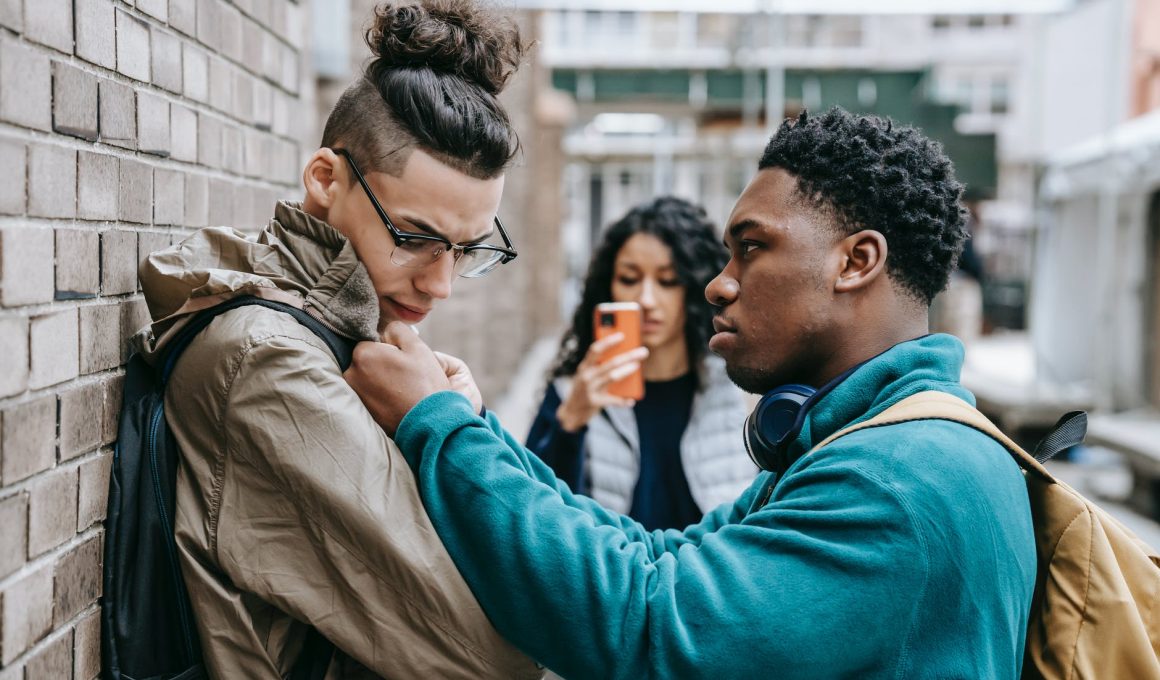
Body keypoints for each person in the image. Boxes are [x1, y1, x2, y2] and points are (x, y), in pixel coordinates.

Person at [344, 108, 1038, 678]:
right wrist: (475, 426)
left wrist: (433, 424)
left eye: (753, 248)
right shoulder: (869, 439)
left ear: (856, 261)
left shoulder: (897, 478)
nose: (719, 283)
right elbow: (659, 556)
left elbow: (651, 625)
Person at [132, 2, 541, 677]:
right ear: (326, 181)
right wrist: (446, 434)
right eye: (413, 238)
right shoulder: (269, 361)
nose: (440, 285)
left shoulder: (347, 341)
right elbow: (497, 660)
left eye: (466, 251)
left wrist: (454, 424)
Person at [526, 196, 755, 530]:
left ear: (694, 287)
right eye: (630, 279)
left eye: (667, 281)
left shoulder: (740, 387)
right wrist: (570, 422)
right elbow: (531, 514)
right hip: (612, 579)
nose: (646, 299)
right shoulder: (571, 391)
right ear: (609, 286)